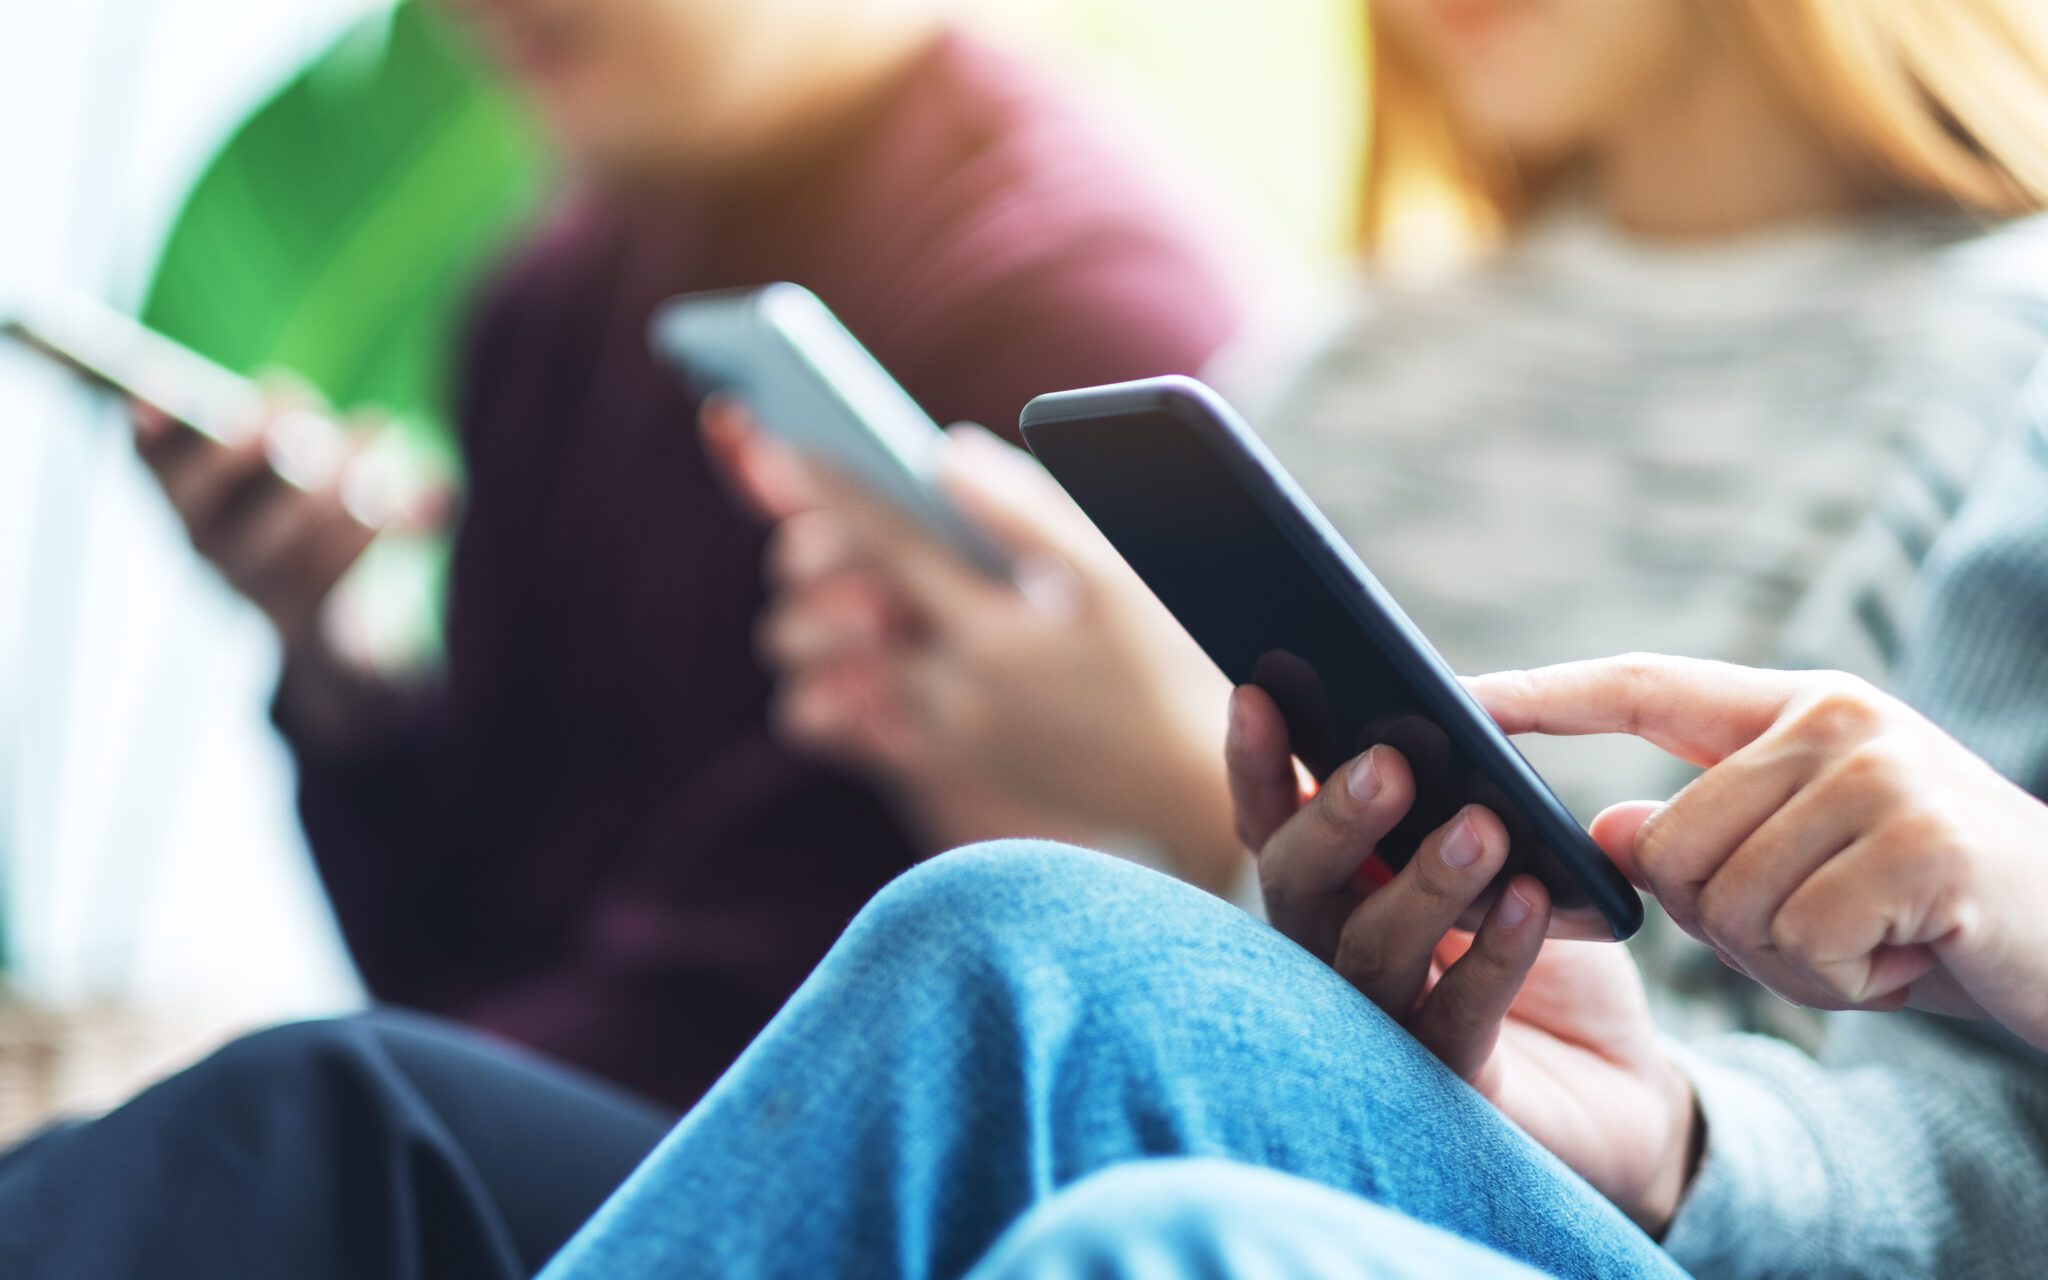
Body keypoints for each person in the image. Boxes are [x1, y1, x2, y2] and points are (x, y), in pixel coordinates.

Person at [7, 371, 2047, 1279]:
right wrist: (1688, 1145)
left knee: (1044, 970)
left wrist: (1151, 781)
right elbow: (1947, 1143)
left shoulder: (1970, 344)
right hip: (1694, 1169)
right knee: (336, 1118)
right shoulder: (1366, 325)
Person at [128, 0, 1246, 1109]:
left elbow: (758, 1040)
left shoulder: (1079, 327)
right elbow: (460, 959)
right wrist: (338, 663)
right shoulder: (548, 295)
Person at [722, 0, 2048, 914]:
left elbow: (1795, 1106)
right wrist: (988, 757)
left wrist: (1193, 782)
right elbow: (1158, 961)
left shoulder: (2001, 367)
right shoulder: (1346, 350)